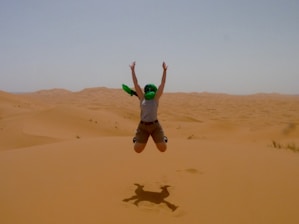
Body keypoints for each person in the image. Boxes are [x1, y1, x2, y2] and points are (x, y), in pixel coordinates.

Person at [129, 61, 168, 153]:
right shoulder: (142, 97)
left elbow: (162, 84)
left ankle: (163, 138)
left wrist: (164, 71)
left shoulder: (156, 98)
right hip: (143, 126)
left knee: (163, 148)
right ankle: (137, 138)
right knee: (137, 150)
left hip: (155, 126)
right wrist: (133, 70)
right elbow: (136, 84)